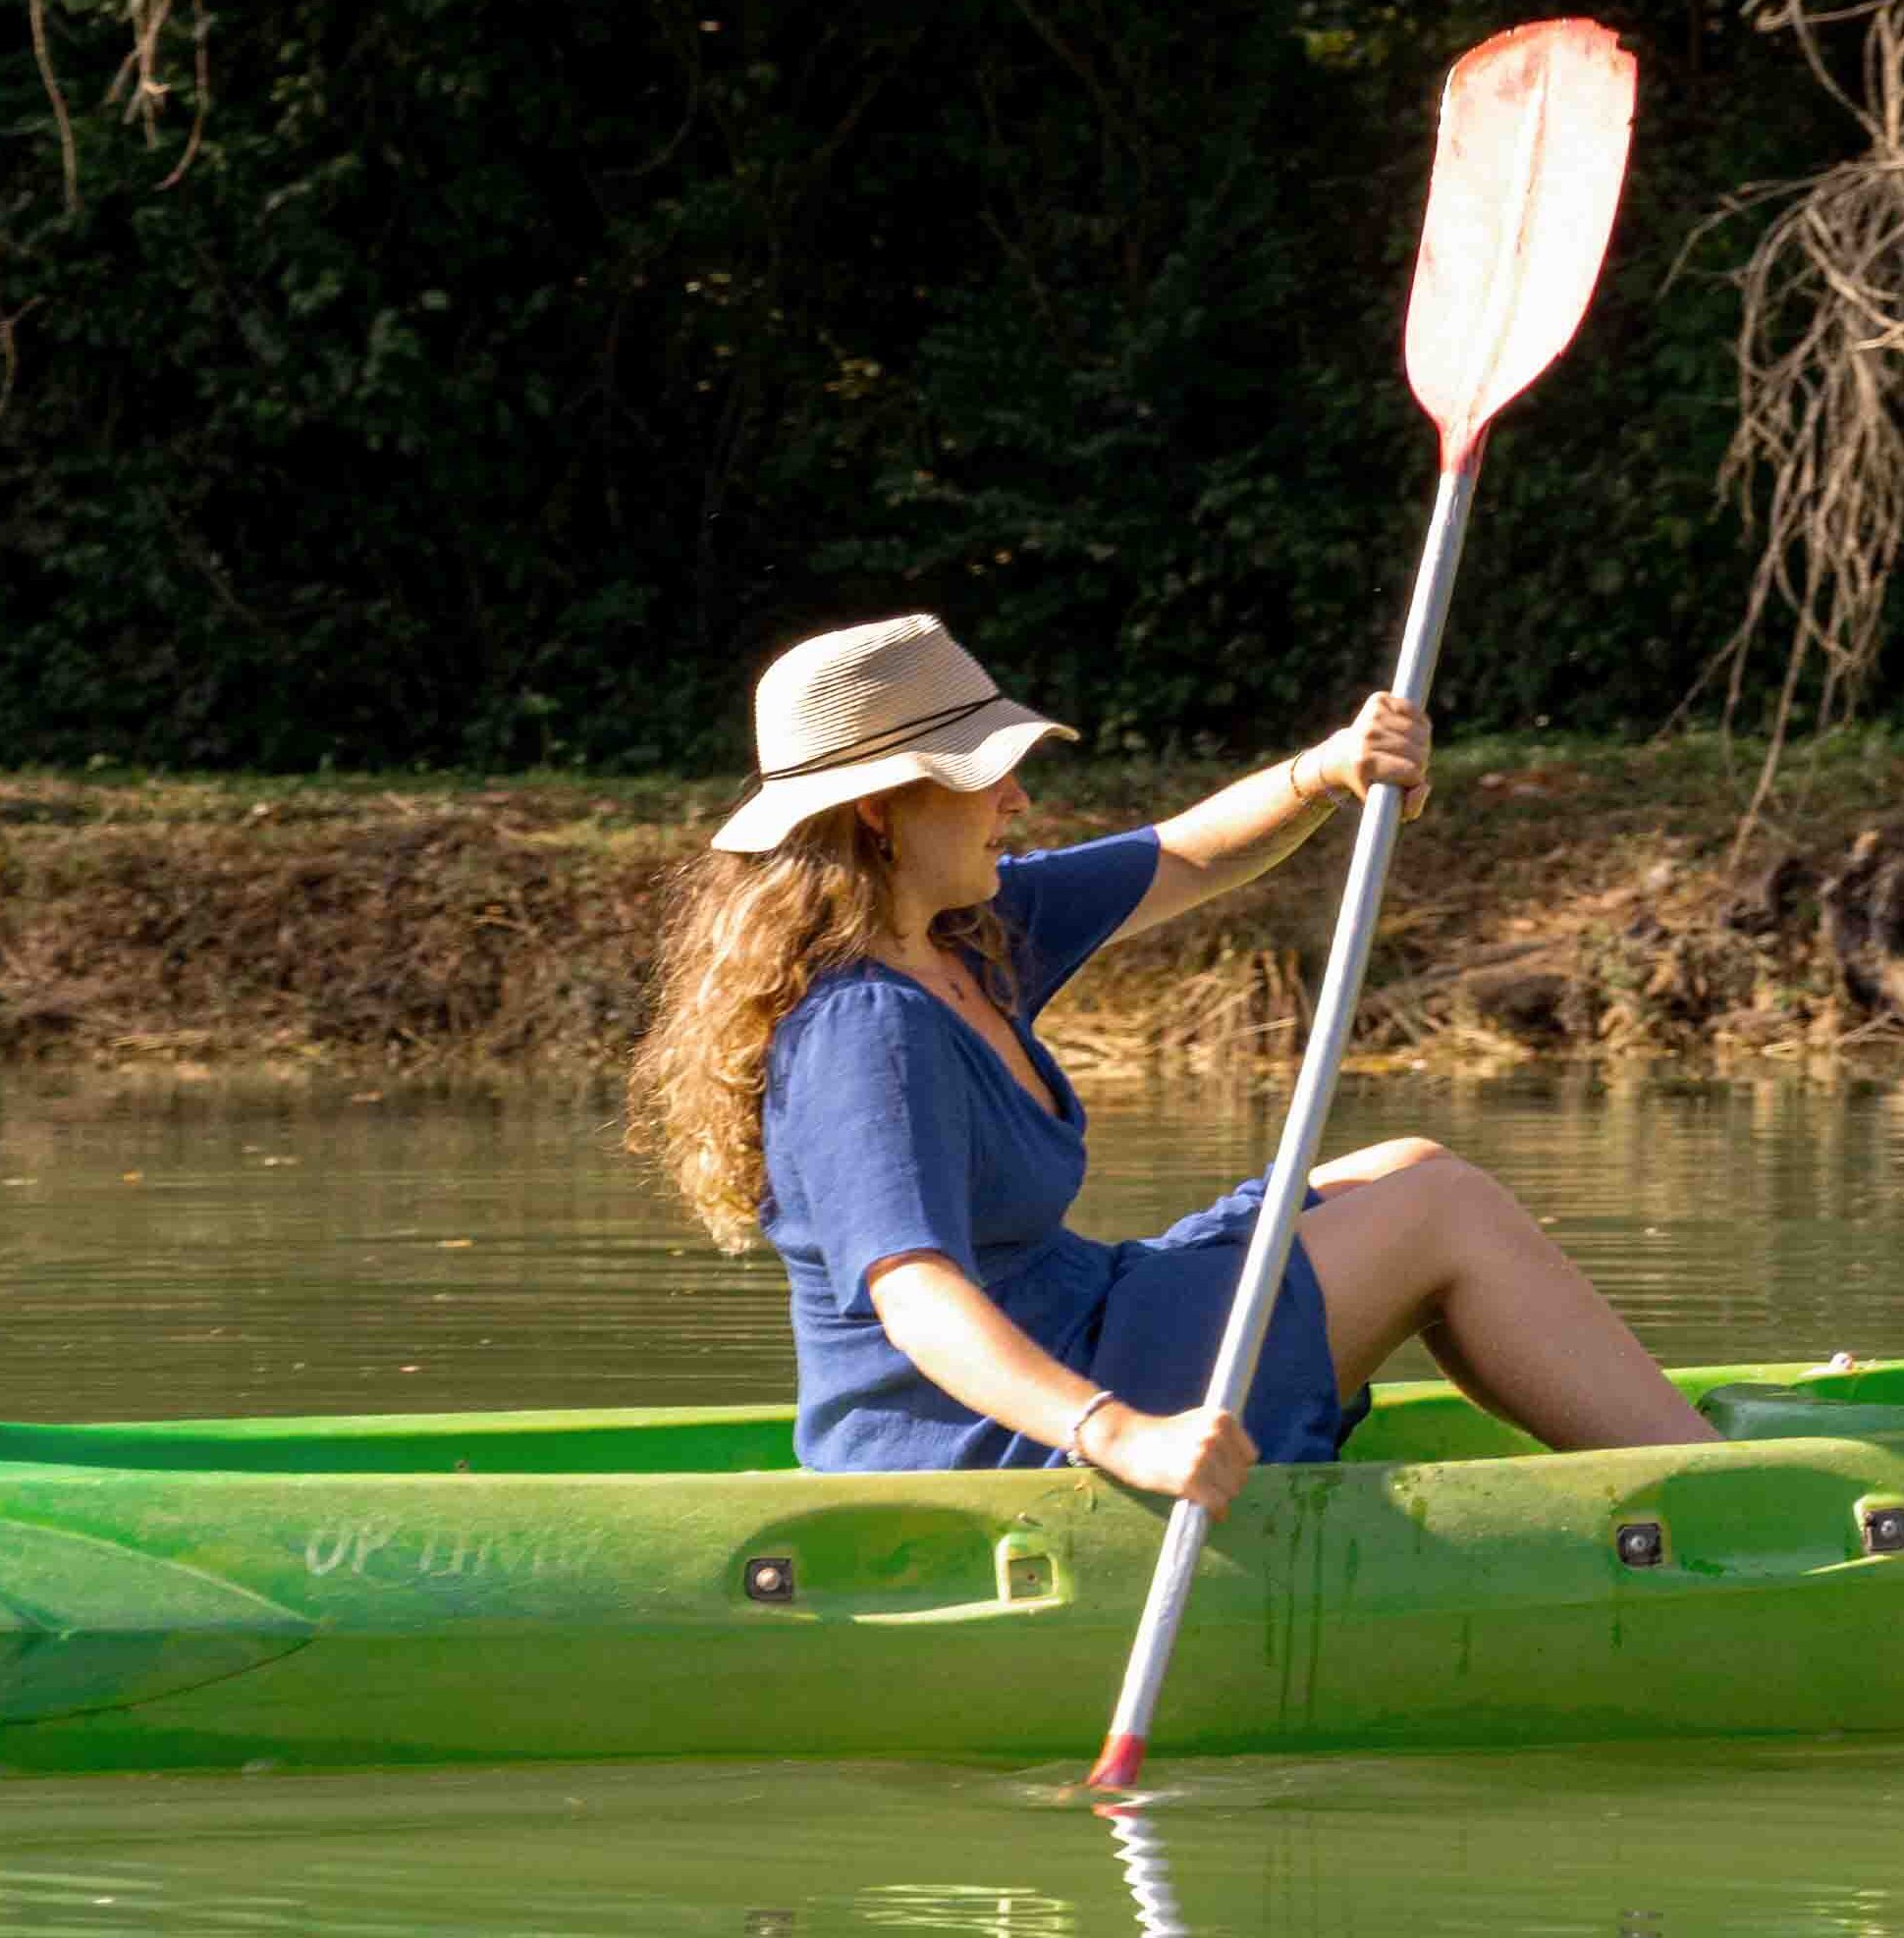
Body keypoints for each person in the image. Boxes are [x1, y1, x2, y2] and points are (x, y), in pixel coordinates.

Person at [626, 613, 1715, 1508]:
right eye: (984, 773)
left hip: (1085, 1320)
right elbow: (915, 1298)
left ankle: (1649, 1451)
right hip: (989, 1441)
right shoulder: (865, 1026)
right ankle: (1726, 1496)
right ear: (878, 810)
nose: (1017, 798)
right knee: (1444, 1213)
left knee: (1410, 1165)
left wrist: (1326, 770)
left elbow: (1186, 855)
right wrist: (1120, 1433)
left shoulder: (969, 931)